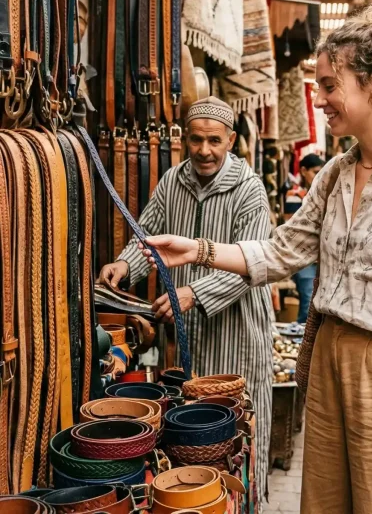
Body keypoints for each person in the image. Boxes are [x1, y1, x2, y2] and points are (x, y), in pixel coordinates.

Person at [140, 0, 372, 513]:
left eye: (330, 85)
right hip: (327, 361)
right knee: (325, 503)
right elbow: (282, 251)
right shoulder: (334, 174)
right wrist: (197, 249)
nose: (321, 99)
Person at [99, 96, 273, 501]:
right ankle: (197, 500)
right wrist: (124, 267)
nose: (205, 150)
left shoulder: (250, 191)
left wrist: (194, 292)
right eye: (196, 140)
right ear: (184, 141)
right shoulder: (172, 181)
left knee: (236, 430)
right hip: (189, 330)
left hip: (237, 330)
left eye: (214, 141)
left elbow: (254, 263)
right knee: (194, 430)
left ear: (230, 140)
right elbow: (148, 235)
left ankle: (243, 503)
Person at [285, 154, 325, 324]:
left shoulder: (320, 193)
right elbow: (292, 227)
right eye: (315, 172)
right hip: (304, 259)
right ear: (303, 170)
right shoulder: (295, 194)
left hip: (318, 258)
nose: (319, 176)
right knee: (308, 304)